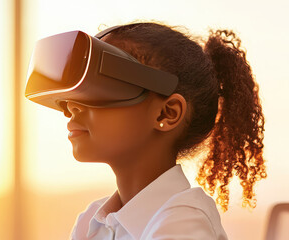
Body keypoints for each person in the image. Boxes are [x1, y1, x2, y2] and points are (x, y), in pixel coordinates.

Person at [64, 21, 267, 240]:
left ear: (167, 113)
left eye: (102, 85)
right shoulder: (91, 221)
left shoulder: (184, 222)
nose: (72, 105)